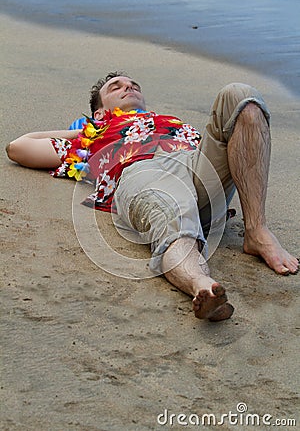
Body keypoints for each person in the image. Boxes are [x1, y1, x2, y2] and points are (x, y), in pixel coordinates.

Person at [6, 72, 299, 322]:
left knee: (241, 96)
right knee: (173, 214)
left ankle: (257, 231)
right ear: (99, 111)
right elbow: (19, 147)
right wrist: (90, 128)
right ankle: (202, 286)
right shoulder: (92, 137)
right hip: (143, 171)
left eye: (133, 84)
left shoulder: (173, 123)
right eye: (116, 87)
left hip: (195, 164)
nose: (128, 87)